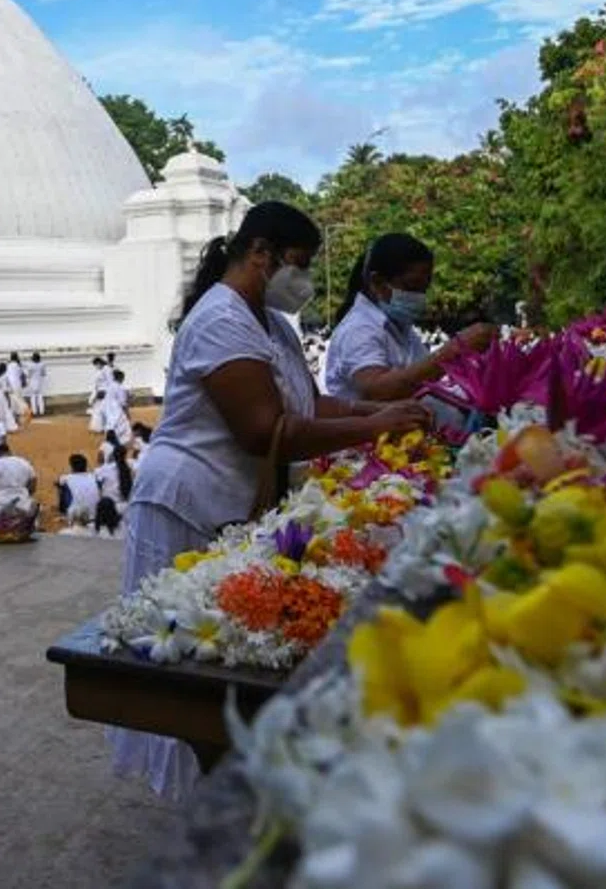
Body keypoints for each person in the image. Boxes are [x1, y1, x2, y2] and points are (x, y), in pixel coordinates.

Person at [113, 202, 431, 801]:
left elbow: (311, 406)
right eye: (300, 265)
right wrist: (375, 425)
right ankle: (198, 812)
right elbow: (264, 428)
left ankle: (227, 788)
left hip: (236, 498)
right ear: (260, 253)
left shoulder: (275, 324)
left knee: (226, 654)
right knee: (191, 662)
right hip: (188, 499)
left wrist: (385, 414)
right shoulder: (220, 319)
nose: (306, 281)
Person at [323, 231, 496, 409]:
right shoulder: (359, 329)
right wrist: (455, 349)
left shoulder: (402, 330)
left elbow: (426, 381)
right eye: (411, 287)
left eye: (423, 289)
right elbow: (378, 390)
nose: (419, 297)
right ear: (378, 283)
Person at [0, 443, 38, 540]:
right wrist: (26, 495)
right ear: (9, 452)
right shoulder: (24, 462)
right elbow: (33, 483)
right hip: (24, 506)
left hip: (0, 508)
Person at [57, 454, 100, 528]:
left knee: (61, 488)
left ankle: (63, 512)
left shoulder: (65, 478)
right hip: (95, 516)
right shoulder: (94, 476)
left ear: (72, 466)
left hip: (76, 517)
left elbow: (58, 483)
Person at [26, 352, 48, 418]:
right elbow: (44, 374)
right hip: (40, 382)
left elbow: (28, 375)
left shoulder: (30, 365)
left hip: (32, 382)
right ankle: (41, 412)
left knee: (33, 398)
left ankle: (35, 412)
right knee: (40, 397)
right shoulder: (42, 364)